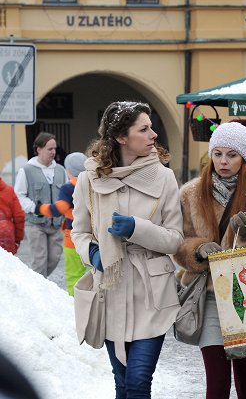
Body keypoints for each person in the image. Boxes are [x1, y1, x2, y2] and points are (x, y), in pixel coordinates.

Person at [71, 101, 184, 399]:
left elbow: (174, 239)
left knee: (137, 381)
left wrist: (136, 228)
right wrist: (93, 255)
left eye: (152, 127)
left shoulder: (164, 177)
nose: (154, 135)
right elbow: (79, 232)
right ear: (122, 137)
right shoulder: (89, 179)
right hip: (110, 289)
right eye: (144, 129)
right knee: (121, 383)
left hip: (152, 296)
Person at [174, 121, 246, 399]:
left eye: (232, 155)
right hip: (210, 294)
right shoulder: (190, 194)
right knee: (216, 384)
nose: (223, 162)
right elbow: (177, 243)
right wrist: (199, 250)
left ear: (244, 157)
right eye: (218, 154)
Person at [14, 132, 67, 277]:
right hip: (35, 224)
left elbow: (67, 194)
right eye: (49, 149)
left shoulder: (61, 170)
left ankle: (37, 283)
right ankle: (38, 293)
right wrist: (34, 208)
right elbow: (19, 195)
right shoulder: (26, 170)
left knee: (54, 259)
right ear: (38, 149)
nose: (53, 152)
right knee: (40, 262)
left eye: (54, 148)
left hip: (56, 225)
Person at [38, 152, 87, 295]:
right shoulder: (94, 184)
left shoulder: (69, 188)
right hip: (94, 236)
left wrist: (41, 208)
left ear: (68, 169)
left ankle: (75, 303)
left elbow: (60, 209)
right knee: (95, 273)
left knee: (74, 274)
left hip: (73, 236)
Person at [0, 177, 25, 254]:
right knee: (7, 264)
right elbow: (19, 217)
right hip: (6, 232)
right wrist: (17, 239)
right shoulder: (9, 191)